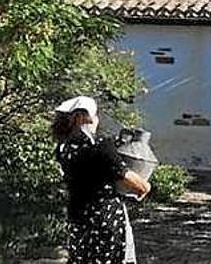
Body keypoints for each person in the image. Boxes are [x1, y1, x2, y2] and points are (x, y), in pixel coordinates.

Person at [53, 96, 151, 264]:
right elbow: (125, 175)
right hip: (104, 219)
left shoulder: (63, 147)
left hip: (77, 218)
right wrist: (145, 186)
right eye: (95, 114)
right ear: (82, 117)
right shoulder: (100, 145)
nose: (97, 119)